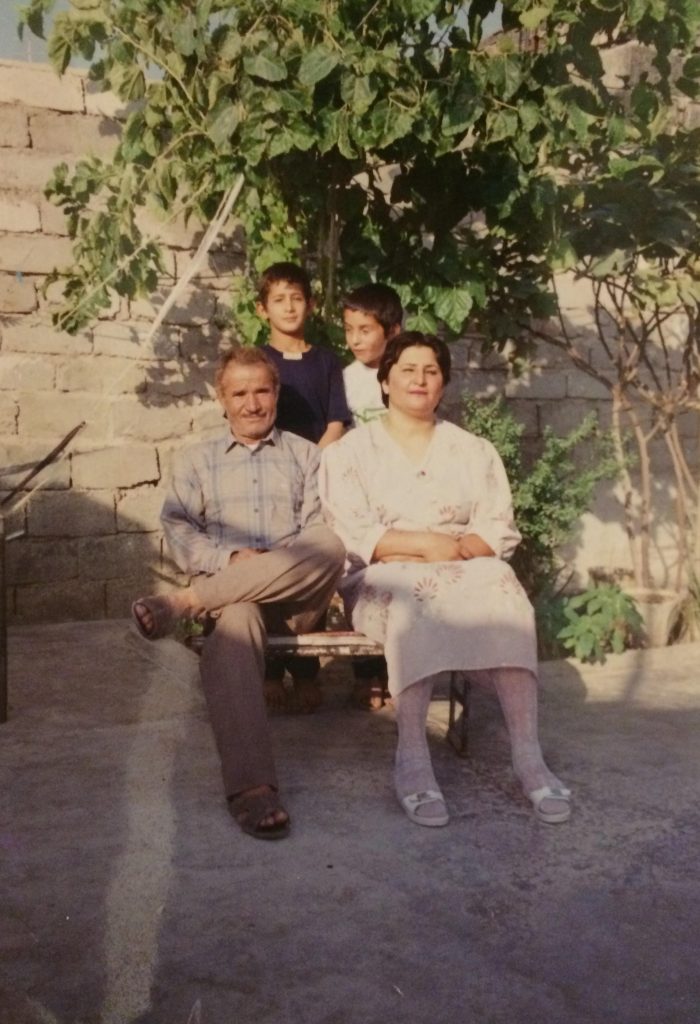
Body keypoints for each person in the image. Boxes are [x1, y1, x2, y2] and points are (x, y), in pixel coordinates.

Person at [319, 332, 571, 828]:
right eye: (407, 369)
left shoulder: (472, 450)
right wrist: (424, 545)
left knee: (503, 588)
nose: (419, 379)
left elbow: (497, 523)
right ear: (385, 381)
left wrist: (461, 549)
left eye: (430, 371)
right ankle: (412, 760)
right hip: (383, 574)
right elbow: (346, 530)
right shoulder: (349, 453)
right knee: (418, 598)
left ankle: (528, 756)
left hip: (465, 565)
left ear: (443, 384)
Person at [131, 346, 345, 841]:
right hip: (233, 601)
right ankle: (252, 790)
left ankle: (183, 604)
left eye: (262, 391)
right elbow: (178, 526)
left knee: (330, 545)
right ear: (221, 399)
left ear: (276, 394)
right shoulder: (197, 460)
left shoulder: (306, 455)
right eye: (240, 393)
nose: (252, 403)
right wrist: (229, 562)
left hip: (296, 605)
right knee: (236, 618)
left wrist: (270, 566)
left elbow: (318, 529)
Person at [257, 261, 351, 704]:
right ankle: (271, 671)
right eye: (279, 299)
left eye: (297, 297)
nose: (289, 306)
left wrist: (315, 457)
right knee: (274, 564)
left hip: (320, 471)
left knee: (312, 568)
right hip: (271, 474)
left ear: (310, 304)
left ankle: (307, 673)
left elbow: (336, 420)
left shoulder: (327, 361)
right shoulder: (259, 361)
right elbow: (254, 418)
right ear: (263, 309)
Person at [341, 283, 402, 709]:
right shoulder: (345, 380)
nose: (356, 339)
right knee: (360, 574)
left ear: (393, 331)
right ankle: (367, 672)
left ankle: (397, 669)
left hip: (401, 489)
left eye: (366, 329)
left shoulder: (407, 373)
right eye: (350, 330)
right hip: (360, 491)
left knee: (399, 580)